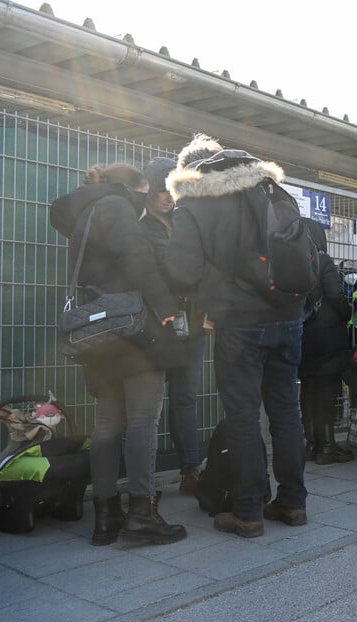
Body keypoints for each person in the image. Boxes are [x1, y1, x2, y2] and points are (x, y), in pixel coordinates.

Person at [166, 133, 307, 538]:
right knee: (285, 410)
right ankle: (293, 503)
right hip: (289, 315)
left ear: (191, 169)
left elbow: (182, 270)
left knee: (243, 416)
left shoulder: (195, 201)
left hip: (239, 321)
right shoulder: (274, 191)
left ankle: (248, 511)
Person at [49, 163, 187, 546]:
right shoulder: (117, 206)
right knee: (143, 419)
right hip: (133, 332)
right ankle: (142, 513)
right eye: (144, 195)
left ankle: (106, 517)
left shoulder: (84, 215)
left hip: (98, 333)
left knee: (108, 425)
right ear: (133, 191)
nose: (147, 203)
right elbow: (138, 259)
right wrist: (166, 307)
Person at [140, 156, 206, 496]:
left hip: (191, 323)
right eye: (161, 189)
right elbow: (171, 269)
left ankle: (190, 470)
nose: (168, 196)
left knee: (186, 397)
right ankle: (145, 482)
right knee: (150, 403)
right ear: (148, 190)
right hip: (159, 323)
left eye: (172, 189)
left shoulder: (182, 223)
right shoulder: (143, 226)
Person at [300, 219, 354, 464]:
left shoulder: (294, 260)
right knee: (326, 390)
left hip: (303, 334)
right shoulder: (323, 260)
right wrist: (346, 312)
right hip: (327, 336)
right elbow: (335, 294)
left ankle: (311, 444)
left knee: (308, 389)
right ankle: (327, 446)